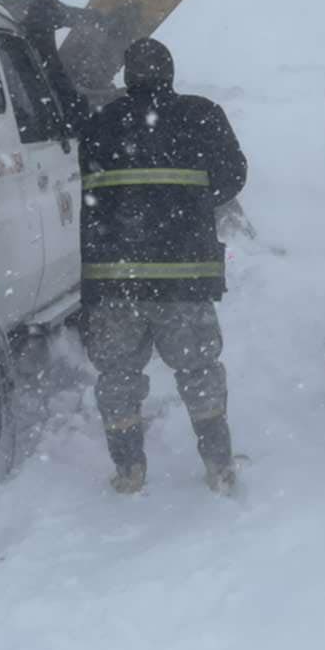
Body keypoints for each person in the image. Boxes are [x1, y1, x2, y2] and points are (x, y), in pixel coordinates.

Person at [78, 37, 247, 495]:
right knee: (198, 369)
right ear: (169, 74)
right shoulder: (201, 114)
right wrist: (190, 204)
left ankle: (129, 468)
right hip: (183, 276)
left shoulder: (101, 122)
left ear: (128, 76)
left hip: (117, 278)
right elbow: (233, 175)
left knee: (118, 375)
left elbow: (89, 188)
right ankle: (218, 463)